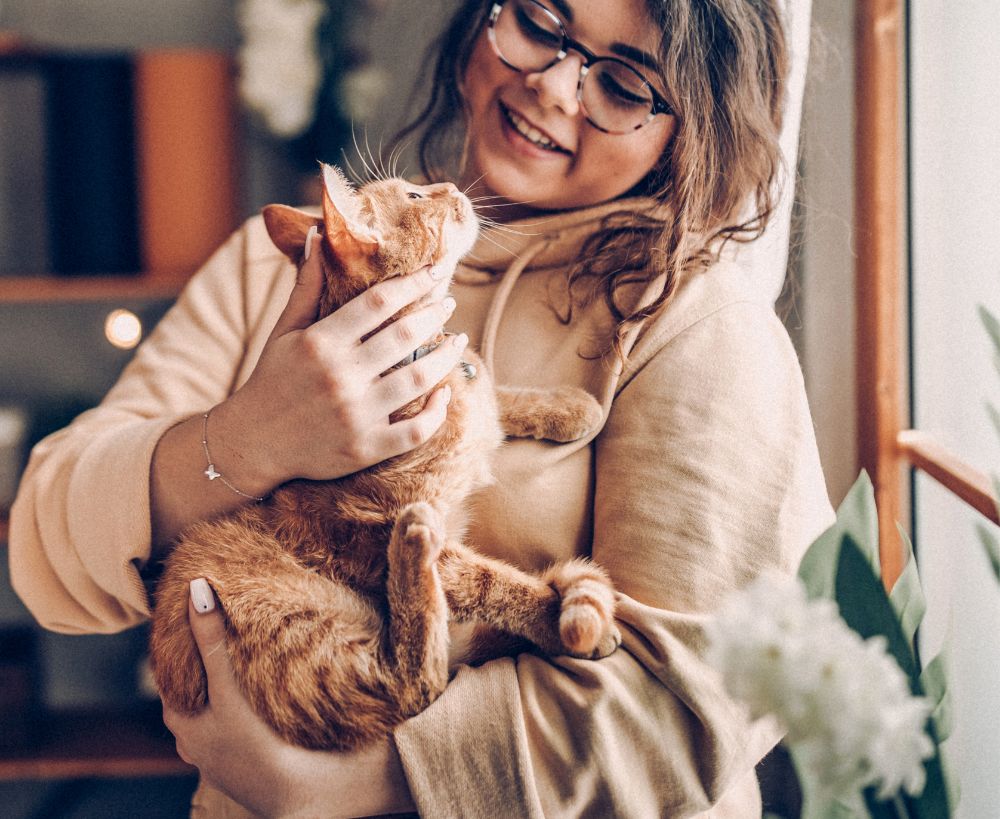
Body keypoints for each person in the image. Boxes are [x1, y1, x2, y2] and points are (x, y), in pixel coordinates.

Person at [9, 0, 832, 815]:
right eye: (543, 24)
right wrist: (249, 437)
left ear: (691, 128)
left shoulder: (691, 319)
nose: (552, 87)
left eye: (622, 84)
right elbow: (46, 552)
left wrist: (353, 784)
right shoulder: (308, 256)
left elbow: (700, 693)